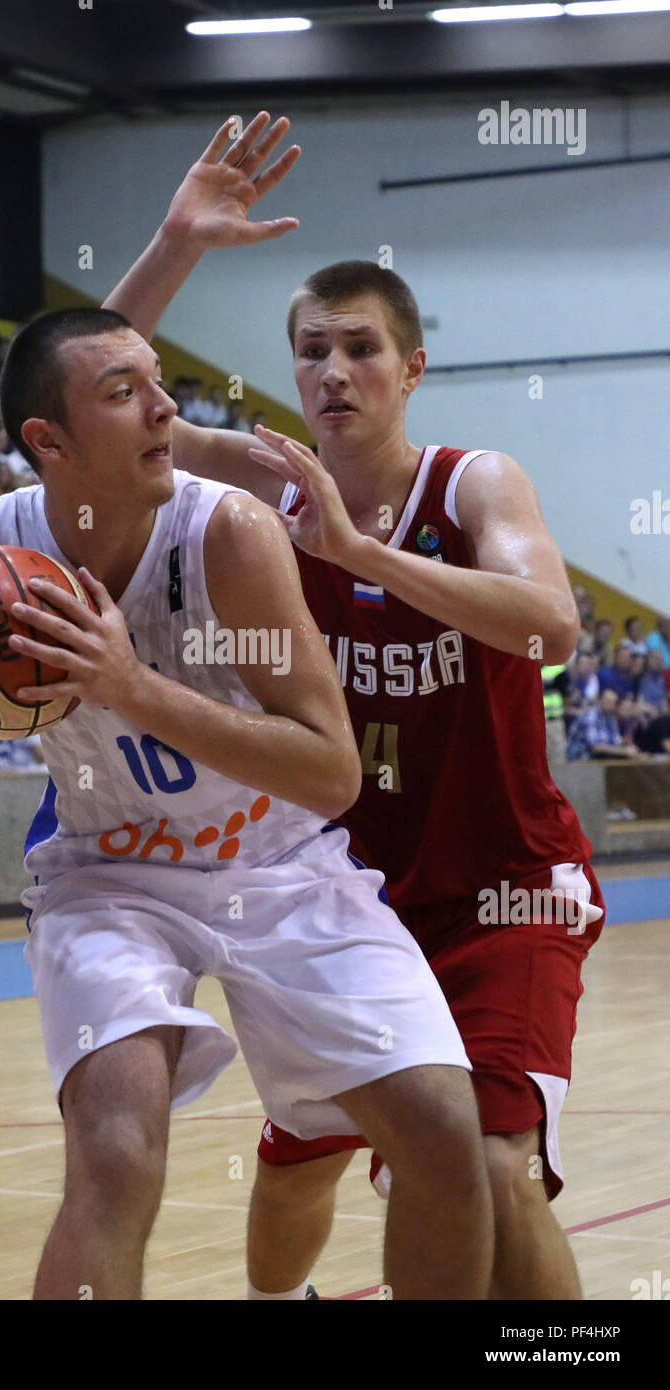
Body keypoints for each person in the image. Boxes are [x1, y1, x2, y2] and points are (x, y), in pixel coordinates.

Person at [0, 307, 494, 1295]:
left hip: (274, 859)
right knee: (115, 1152)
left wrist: (130, 686)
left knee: (443, 1133)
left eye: (158, 381)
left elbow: (331, 771)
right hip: (109, 876)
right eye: (124, 394)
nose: (165, 407)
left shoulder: (227, 534)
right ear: (49, 443)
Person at [103, 111, 606, 1300]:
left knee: (492, 1161)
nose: (332, 373)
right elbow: (94, 385)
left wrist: (360, 555)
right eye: (311, 352)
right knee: (290, 1174)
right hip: (345, 902)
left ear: (411, 368)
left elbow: (552, 627)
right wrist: (176, 240)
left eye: (361, 349)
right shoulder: (270, 481)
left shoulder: (471, 482)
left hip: (500, 891)